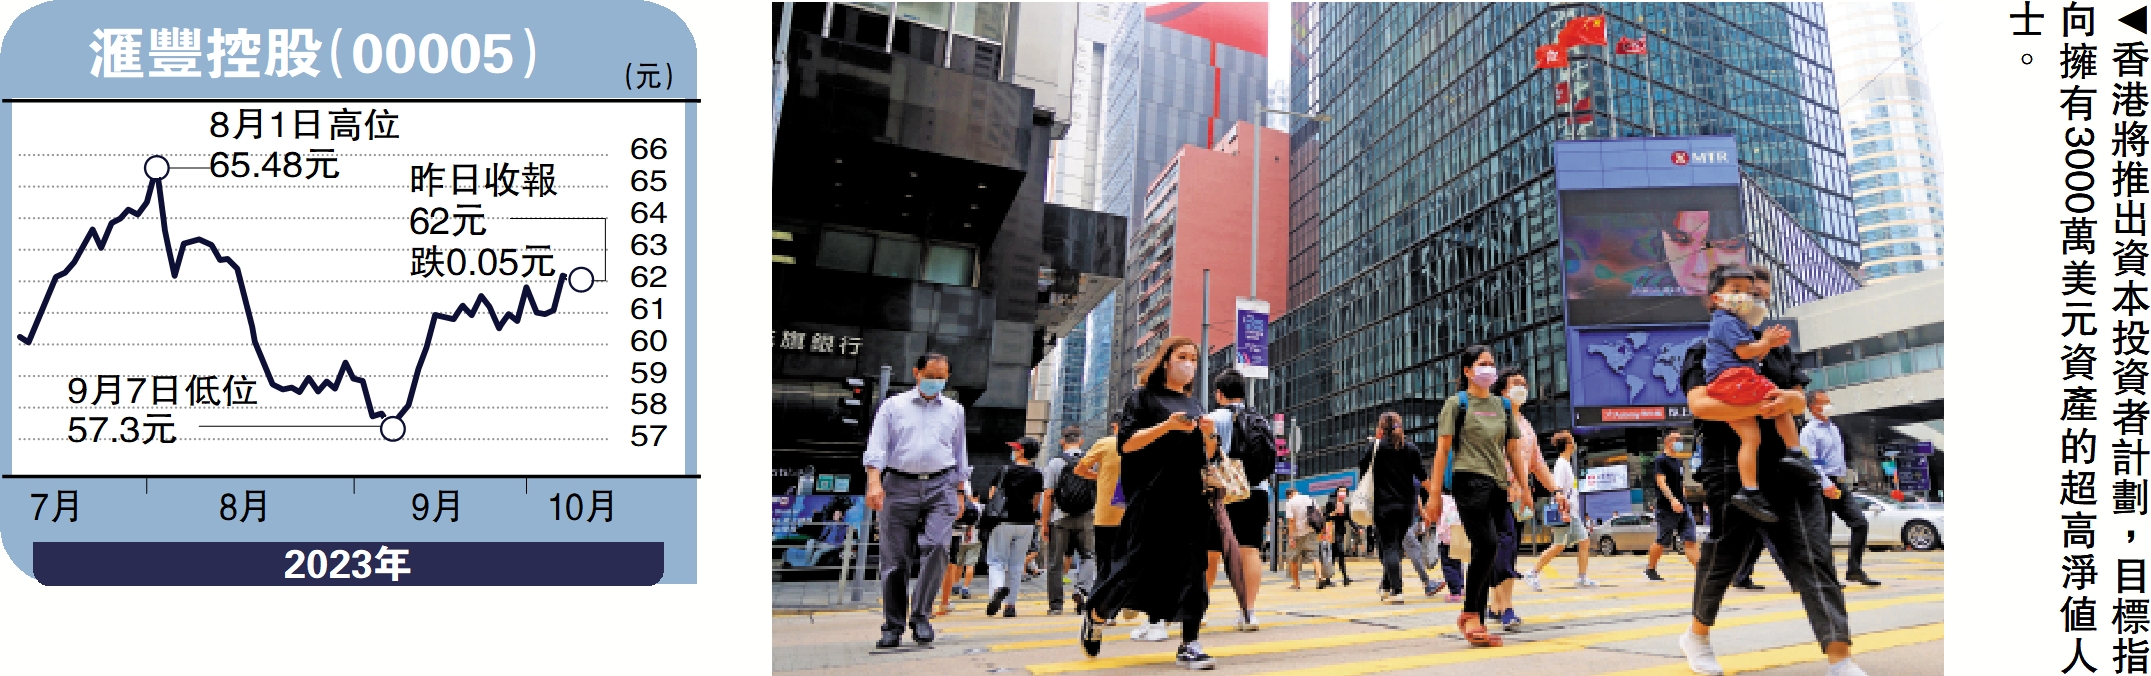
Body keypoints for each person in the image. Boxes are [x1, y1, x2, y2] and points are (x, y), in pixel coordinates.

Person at [1679, 263, 1861, 676]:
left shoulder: (1776, 349)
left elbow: (1800, 399)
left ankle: (1839, 658)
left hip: (1788, 469)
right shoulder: (1703, 348)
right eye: (1746, 293)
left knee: (1814, 557)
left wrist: (1787, 403)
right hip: (1730, 468)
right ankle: (1697, 636)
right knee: (1723, 557)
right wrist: (1760, 407)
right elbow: (1701, 405)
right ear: (1721, 298)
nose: (1754, 301)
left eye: (1761, 295)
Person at [1079, 336, 1221, 669]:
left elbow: (1208, 457)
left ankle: (1190, 643)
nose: (1189, 363)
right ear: (1165, 361)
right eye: (1182, 356)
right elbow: (1126, 444)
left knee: (1193, 570)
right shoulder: (1142, 398)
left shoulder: (1195, 404)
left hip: (1190, 499)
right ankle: (1097, 614)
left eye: (1194, 358)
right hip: (1151, 498)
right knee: (1133, 566)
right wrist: (1166, 426)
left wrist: (1210, 436)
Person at [1423, 345, 1534, 648]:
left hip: (1498, 484)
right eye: (1482, 363)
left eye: (1492, 363)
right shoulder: (1456, 404)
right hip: (1468, 480)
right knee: (1486, 544)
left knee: (1490, 549)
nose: (1489, 368)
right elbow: (1442, 451)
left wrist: (1524, 489)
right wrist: (1433, 496)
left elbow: (1512, 450)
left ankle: (1477, 620)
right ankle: (1470, 613)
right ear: (1468, 371)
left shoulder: (1503, 406)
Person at [862, 352, 972, 649]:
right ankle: (893, 625)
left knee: (938, 547)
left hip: (941, 485)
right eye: (931, 375)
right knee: (895, 561)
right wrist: (874, 483)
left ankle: (921, 616)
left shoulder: (954, 410)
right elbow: (876, 448)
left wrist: (962, 491)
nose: (937, 381)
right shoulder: (893, 406)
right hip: (898, 486)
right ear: (916, 373)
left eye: (942, 377)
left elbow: (960, 452)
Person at [1698, 264, 1799, 523]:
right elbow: (1744, 354)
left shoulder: (1735, 325)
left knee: (1750, 436)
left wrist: (1766, 345)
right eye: (1738, 291)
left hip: (1729, 385)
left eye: (1755, 296)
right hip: (1734, 381)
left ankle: (1749, 490)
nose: (1749, 299)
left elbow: (1749, 356)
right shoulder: (1726, 322)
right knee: (1776, 399)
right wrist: (1766, 343)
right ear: (1716, 297)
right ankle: (1796, 454)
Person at [1482, 368, 1567, 631]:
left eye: (1524, 383)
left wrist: (1556, 490)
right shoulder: (1495, 417)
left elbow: (1538, 464)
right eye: (1516, 383)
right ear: (1502, 390)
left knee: (1505, 552)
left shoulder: (1526, 424)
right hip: (1496, 492)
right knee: (1502, 550)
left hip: (1519, 497)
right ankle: (1506, 608)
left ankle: (1496, 606)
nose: (1523, 387)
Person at [1206, 369, 1276, 630]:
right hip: (1255, 491)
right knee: (1249, 550)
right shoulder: (1261, 420)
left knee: (1210, 553)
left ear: (1219, 394)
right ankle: (1248, 613)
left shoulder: (1212, 418)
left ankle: (1199, 611)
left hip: (1221, 491)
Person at [1804, 391, 1879, 586]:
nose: (1829, 405)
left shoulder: (1833, 428)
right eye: (1824, 402)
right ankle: (1827, 578)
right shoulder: (1809, 431)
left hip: (1838, 483)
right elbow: (1812, 462)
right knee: (1824, 533)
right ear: (1813, 407)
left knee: (1860, 523)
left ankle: (1854, 570)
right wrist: (1825, 483)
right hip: (1822, 484)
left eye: (1829, 402)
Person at [1358, 412, 1427, 605]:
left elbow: (1363, 471)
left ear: (1380, 428)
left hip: (1384, 506)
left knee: (1388, 547)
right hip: (1406, 508)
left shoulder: (1375, 448)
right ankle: (1387, 586)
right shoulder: (1411, 448)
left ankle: (1397, 590)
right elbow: (1422, 475)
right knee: (1395, 548)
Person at [1075, 421, 1140, 625]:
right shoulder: (1143, 443)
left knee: (1105, 565)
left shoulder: (1104, 444)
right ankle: (1129, 601)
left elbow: (1079, 469)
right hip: (1133, 515)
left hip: (1106, 516)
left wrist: (1100, 476)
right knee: (1130, 562)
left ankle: (1104, 612)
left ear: (1114, 426)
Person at [982, 438, 1045, 618]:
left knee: (996, 561)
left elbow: (993, 494)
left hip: (1003, 521)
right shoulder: (1036, 474)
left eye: (1016, 448)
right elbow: (1036, 501)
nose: (1013, 451)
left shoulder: (1005, 470)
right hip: (1025, 523)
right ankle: (1010, 606)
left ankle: (997, 589)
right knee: (1017, 565)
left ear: (1021, 451)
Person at [1527, 430, 1598, 589]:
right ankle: (1533, 572)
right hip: (1565, 512)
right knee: (1559, 545)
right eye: (1572, 441)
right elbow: (1557, 489)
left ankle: (1582, 577)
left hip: (1572, 513)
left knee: (1584, 542)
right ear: (1567, 445)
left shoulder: (1566, 464)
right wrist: (1562, 511)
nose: (1574, 444)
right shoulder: (1561, 464)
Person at [1042, 426, 1099, 616]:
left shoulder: (1055, 463)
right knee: (1088, 556)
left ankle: (1056, 606)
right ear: (1081, 441)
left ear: (1062, 441)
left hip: (1060, 517)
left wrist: (1044, 523)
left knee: (1055, 563)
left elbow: (1049, 494)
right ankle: (1082, 591)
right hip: (1086, 517)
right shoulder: (1091, 461)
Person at [1645, 432, 1701, 581]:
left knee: (1690, 540)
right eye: (1677, 439)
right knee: (1662, 541)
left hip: (1683, 507)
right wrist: (1672, 500)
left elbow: (1680, 483)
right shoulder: (1661, 460)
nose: (1680, 442)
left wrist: (1683, 498)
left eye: (1681, 439)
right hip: (1667, 507)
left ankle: (1701, 572)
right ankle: (1650, 569)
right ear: (1668, 442)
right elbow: (1661, 483)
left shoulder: (1678, 461)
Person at [1284, 488, 1330, 589]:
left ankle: (1296, 584)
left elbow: (1291, 520)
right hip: (1311, 531)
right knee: (1315, 556)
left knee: (1293, 558)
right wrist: (1323, 530)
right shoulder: (1309, 499)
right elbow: (1319, 514)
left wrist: (1291, 537)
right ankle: (1319, 578)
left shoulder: (1290, 503)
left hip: (1297, 534)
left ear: (1289, 495)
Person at [1324, 487, 1355, 587]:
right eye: (1340, 491)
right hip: (1331, 532)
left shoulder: (1346, 506)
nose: (1342, 493)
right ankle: (1332, 578)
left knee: (1339, 553)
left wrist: (1357, 528)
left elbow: (1349, 519)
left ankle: (1343, 577)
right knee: (1334, 554)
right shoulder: (1331, 503)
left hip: (1340, 532)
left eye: (1344, 492)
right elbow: (1325, 517)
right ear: (1337, 493)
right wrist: (1334, 513)